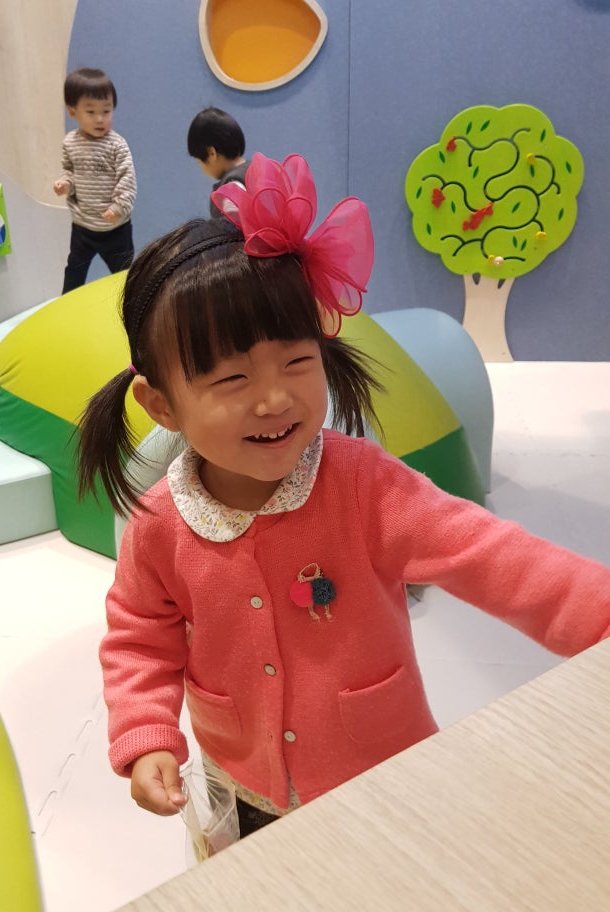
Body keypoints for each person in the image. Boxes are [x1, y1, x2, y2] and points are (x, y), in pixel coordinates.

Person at [78, 153, 610, 839]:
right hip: (240, 779)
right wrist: (146, 731)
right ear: (162, 405)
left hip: (381, 771)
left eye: (297, 361)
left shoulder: (363, 486)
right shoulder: (160, 524)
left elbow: (490, 555)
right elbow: (140, 635)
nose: (274, 398)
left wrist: (598, 614)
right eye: (232, 379)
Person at [53, 67, 136, 294]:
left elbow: (127, 180)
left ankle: (132, 304)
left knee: (125, 275)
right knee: (74, 271)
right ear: (73, 111)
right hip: (83, 226)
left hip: (115, 229)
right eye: (90, 112)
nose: (100, 119)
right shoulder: (70, 143)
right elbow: (69, 171)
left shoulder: (117, 145)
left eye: (106, 111)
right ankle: (67, 305)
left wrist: (119, 207)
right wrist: (66, 184)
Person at [187, 107, 250, 218]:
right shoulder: (258, 170)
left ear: (211, 153)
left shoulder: (231, 188)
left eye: (199, 162)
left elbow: (230, 227)